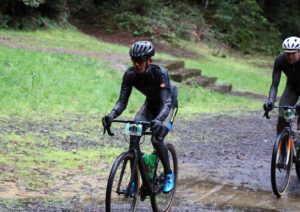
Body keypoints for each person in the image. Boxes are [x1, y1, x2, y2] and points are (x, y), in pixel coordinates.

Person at [102, 40, 178, 193]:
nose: (136, 64)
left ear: (149, 61)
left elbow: (166, 103)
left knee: (156, 139)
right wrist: (111, 115)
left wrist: (158, 120)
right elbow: (122, 102)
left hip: (168, 105)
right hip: (150, 105)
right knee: (134, 136)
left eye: (140, 61)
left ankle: (169, 174)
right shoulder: (130, 75)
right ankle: (135, 181)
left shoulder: (160, 73)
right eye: (134, 60)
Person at [263, 36, 300, 133]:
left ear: (299, 52)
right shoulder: (280, 60)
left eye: (293, 53)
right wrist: (270, 100)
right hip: (292, 88)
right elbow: (274, 84)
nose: (290, 56)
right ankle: (285, 141)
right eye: (288, 53)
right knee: (284, 114)